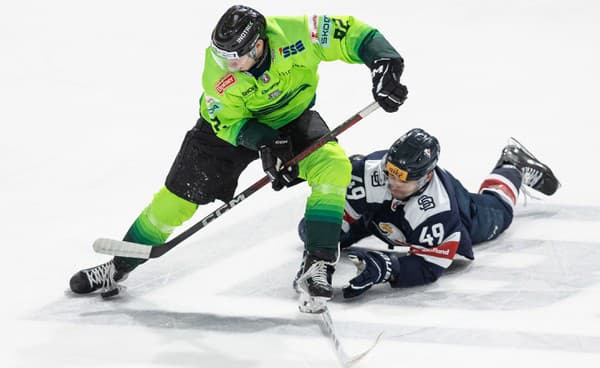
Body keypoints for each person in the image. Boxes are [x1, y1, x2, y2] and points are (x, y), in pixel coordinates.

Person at [68, 5, 408, 311]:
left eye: (236, 57)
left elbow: (352, 32)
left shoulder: (299, 33)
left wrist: (384, 63)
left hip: (292, 119)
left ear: (259, 45)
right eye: (223, 56)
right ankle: (118, 265)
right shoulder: (219, 74)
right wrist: (264, 144)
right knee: (176, 202)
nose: (229, 64)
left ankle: (318, 262)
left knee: (334, 165)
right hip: (232, 130)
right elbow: (223, 120)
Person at [297, 128, 560, 298]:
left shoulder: (438, 210)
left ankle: (512, 166)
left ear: (426, 177)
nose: (394, 183)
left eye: (404, 179)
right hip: (378, 215)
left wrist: (390, 267)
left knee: (499, 213)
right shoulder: (368, 172)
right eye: (392, 173)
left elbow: (431, 264)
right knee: (309, 231)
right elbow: (335, 195)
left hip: (459, 210)